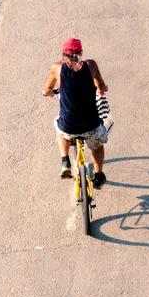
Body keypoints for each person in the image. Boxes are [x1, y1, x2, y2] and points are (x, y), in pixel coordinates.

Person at [42, 38, 108, 188]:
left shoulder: (57, 68)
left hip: (69, 126)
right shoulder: (91, 65)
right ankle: (99, 175)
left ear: (64, 55)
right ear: (81, 53)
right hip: (91, 125)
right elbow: (101, 85)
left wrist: (48, 93)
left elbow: (47, 90)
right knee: (96, 145)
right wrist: (102, 88)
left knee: (60, 127)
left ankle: (65, 161)